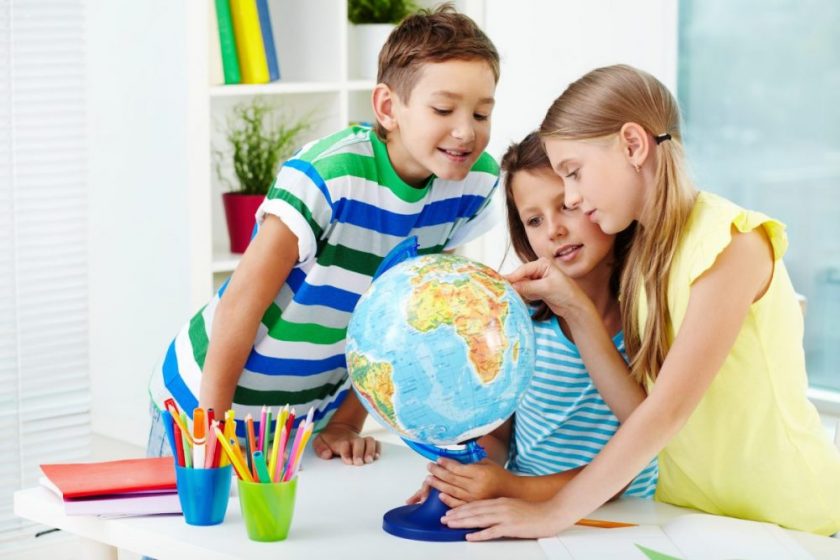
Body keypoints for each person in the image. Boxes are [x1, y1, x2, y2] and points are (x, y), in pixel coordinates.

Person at [441, 64, 840, 539]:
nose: (572, 195)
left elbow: (664, 413)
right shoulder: (651, 259)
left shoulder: (732, 244)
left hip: (784, 519)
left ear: (633, 145)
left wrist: (551, 513)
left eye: (574, 174)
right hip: (688, 514)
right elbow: (639, 411)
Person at [146, 5, 503, 467]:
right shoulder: (329, 177)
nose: (465, 131)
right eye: (443, 108)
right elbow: (241, 305)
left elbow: (406, 321)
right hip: (203, 402)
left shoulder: (472, 185)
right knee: (185, 535)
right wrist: (208, 432)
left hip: (295, 420)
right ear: (388, 107)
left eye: (481, 113)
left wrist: (346, 422)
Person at [408, 132, 657, 507]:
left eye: (568, 206)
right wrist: (470, 479)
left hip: (626, 519)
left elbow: (644, 444)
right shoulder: (519, 321)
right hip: (526, 515)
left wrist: (513, 488)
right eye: (534, 220)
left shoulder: (647, 316)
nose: (554, 230)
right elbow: (498, 436)